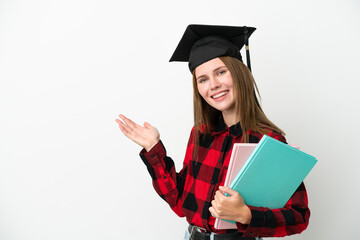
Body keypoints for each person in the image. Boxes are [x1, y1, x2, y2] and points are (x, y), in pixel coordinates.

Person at [115, 24, 310, 240]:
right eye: (203, 79)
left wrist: (246, 214)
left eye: (221, 72)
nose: (214, 85)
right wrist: (153, 149)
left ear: (239, 74)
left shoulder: (269, 141)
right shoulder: (200, 133)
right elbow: (181, 203)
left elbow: (298, 217)